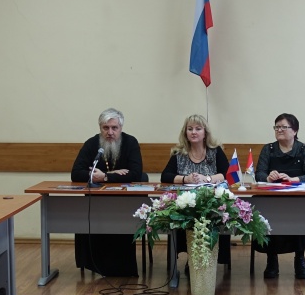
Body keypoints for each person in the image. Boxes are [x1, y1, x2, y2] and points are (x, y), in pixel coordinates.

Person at [69, 108, 147, 276]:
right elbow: (76, 173)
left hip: (125, 204)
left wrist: (105, 177)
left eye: (114, 128)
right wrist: (112, 174)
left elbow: (136, 174)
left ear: (121, 128)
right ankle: (94, 264)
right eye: (106, 128)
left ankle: (121, 268)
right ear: (100, 128)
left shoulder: (130, 143)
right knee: (85, 213)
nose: (110, 132)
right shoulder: (92, 144)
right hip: (97, 203)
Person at [160, 114, 231, 267]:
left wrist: (207, 178)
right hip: (185, 203)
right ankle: (191, 256)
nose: (193, 132)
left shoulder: (215, 151)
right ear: (185, 132)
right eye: (190, 129)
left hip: (211, 201)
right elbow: (165, 176)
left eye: (198, 129)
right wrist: (186, 179)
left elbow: (227, 174)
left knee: (213, 214)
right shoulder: (179, 153)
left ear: (205, 132)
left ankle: (208, 257)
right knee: (182, 214)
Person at [255, 113, 305, 279]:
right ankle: (271, 259)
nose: (279, 130)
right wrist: (268, 178)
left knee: (303, 213)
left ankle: (300, 257)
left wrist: (294, 179)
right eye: (277, 127)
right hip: (271, 199)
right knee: (266, 214)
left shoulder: (304, 150)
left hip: (297, 199)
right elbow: (259, 174)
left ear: (295, 131)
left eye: (284, 127)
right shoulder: (268, 149)